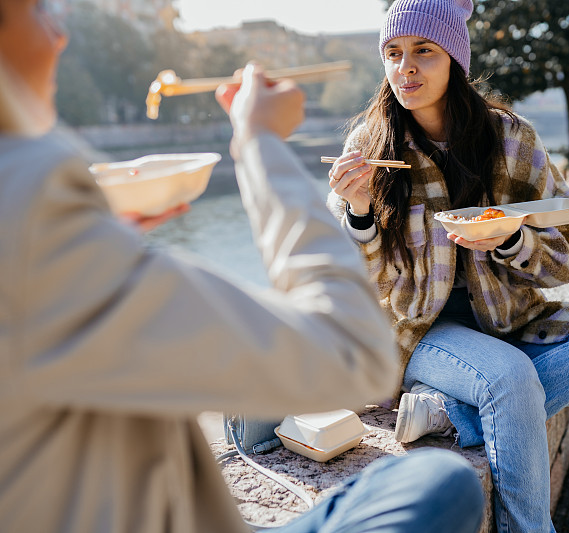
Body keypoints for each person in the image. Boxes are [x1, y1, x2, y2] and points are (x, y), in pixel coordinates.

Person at [0, 2, 485, 533]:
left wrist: (105, 240)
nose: (58, 35)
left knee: (435, 478)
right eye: (37, 9)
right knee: (443, 483)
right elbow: (353, 352)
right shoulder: (32, 198)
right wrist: (259, 146)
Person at [326, 1, 569, 532]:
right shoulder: (370, 148)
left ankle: (451, 412)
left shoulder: (511, 138)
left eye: (423, 51)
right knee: (509, 377)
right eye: (393, 53)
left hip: (511, 321)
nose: (405, 68)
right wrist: (360, 213)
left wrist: (511, 239)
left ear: (454, 59)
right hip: (418, 330)